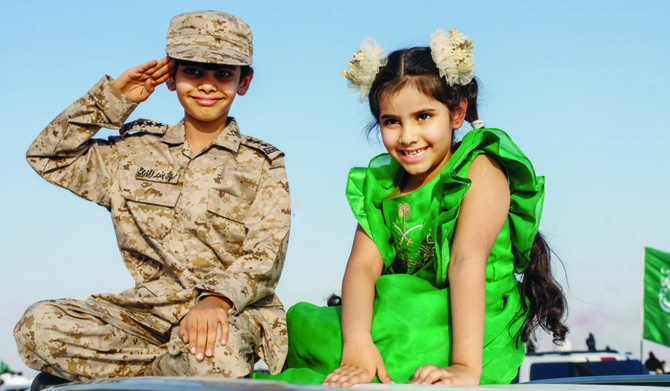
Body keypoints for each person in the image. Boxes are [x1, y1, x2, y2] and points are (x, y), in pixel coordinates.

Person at [259, 29, 567, 386]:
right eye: (392, 121)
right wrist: (357, 345)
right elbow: (361, 266)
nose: (407, 136)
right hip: (406, 309)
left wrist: (465, 367)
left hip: (467, 322)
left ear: (457, 113)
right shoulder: (385, 185)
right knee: (311, 329)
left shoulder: (480, 169)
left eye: (423, 116)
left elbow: (467, 261)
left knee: (399, 331)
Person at [14, 10, 291, 387]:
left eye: (223, 74)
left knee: (217, 359)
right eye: (193, 71)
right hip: (144, 315)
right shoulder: (133, 152)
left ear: (245, 81)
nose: (207, 85)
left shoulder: (262, 164)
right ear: (171, 75)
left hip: (227, 313)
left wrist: (216, 302)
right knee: (38, 326)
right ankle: (163, 373)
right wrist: (112, 100)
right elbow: (48, 157)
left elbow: (265, 254)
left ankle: (122, 378)